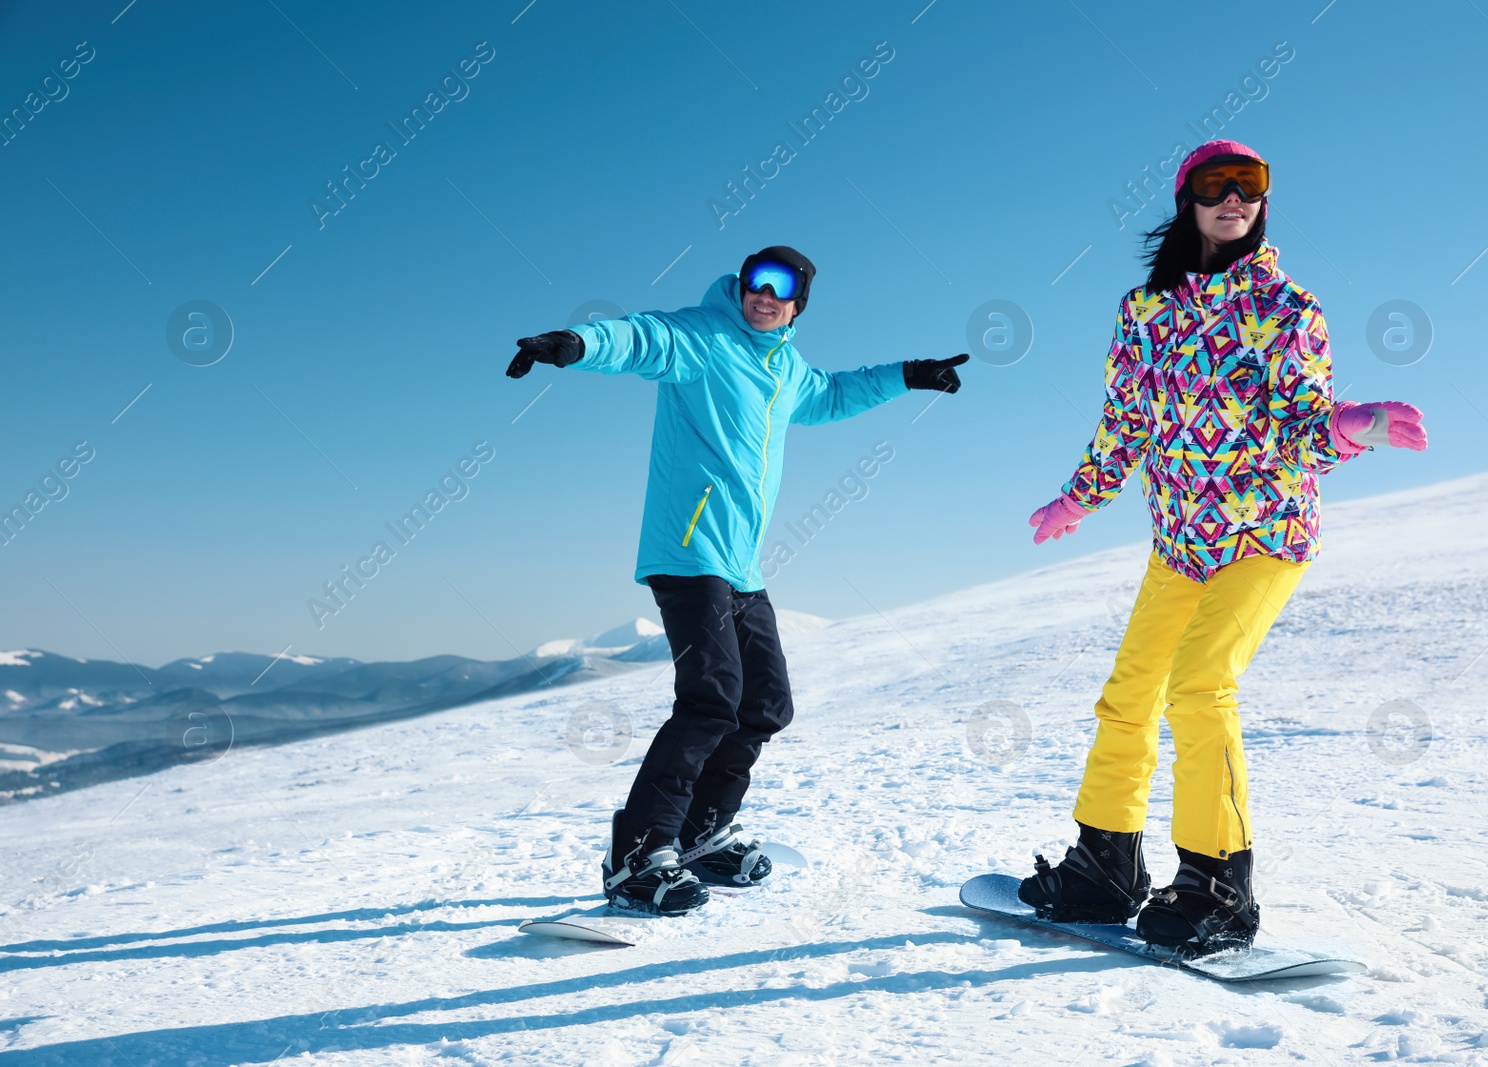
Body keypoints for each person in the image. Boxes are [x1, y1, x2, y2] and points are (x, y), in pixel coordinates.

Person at [1019, 141, 1428, 955]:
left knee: (1201, 684)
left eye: (1251, 185)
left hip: (1266, 529)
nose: (1235, 197)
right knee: (1129, 691)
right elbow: (1126, 422)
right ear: (1187, 201)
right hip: (1180, 541)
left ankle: (1217, 883)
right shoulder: (1144, 312)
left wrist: (1351, 426)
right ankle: (1105, 864)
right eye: (1217, 184)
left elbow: (1305, 426)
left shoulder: (1287, 306)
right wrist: (1079, 497)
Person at [507, 246, 968, 915]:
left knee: (765, 704)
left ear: (798, 304)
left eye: (781, 287)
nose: (764, 294)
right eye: (756, 279)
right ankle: (638, 851)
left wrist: (909, 374)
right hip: (690, 551)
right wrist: (575, 343)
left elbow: (834, 394)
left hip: (740, 565)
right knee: (710, 698)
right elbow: (638, 338)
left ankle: (699, 831)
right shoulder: (703, 338)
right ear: (742, 284)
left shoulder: (786, 368)